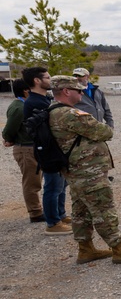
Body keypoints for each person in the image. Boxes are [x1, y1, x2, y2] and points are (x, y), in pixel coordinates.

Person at [48, 75, 121, 265]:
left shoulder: (52, 111)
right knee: (104, 209)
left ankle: (85, 249)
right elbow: (105, 132)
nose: (82, 92)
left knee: (80, 210)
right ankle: (120, 250)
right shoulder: (70, 114)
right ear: (66, 91)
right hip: (88, 171)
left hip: (75, 171)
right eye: (78, 90)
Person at [22, 66, 70, 235]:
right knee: (53, 187)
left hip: (56, 148)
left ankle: (60, 214)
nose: (50, 81)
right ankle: (53, 223)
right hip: (48, 151)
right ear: (37, 80)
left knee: (62, 185)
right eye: (48, 77)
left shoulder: (44, 99)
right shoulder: (34, 102)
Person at [3, 78, 44, 222]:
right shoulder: (18, 108)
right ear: (26, 90)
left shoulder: (25, 105)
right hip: (26, 149)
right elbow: (9, 129)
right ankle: (35, 213)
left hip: (32, 147)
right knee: (31, 183)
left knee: (37, 180)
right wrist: (9, 139)